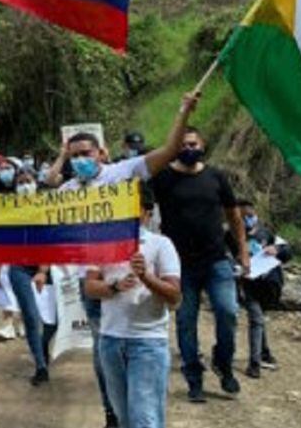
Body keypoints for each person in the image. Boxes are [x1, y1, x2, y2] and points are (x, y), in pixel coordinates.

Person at [47, 92, 199, 419]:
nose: (79, 161)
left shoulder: (123, 172)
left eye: (85, 153)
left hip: (129, 278)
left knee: (124, 353)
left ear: (101, 153)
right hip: (93, 281)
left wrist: (184, 110)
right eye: (73, 156)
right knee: (106, 357)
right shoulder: (67, 192)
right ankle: (113, 415)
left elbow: (169, 151)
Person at [151, 126, 248, 402]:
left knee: (228, 312)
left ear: (202, 144)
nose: (188, 148)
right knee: (185, 322)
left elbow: (234, 216)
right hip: (178, 266)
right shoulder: (163, 178)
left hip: (217, 260)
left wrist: (243, 251)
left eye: (193, 144)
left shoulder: (216, 177)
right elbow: (142, 207)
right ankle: (194, 378)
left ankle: (223, 363)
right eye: (182, 144)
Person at [85, 193, 181, 428]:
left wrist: (146, 277)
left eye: (132, 207)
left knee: (144, 419)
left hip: (147, 342)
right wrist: (115, 286)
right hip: (111, 341)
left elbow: (174, 296)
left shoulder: (161, 245)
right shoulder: (102, 244)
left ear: (146, 212)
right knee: (124, 418)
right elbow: (90, 287)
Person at [228, 200, 290, 378]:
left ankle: (265, 352)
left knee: (260, 318)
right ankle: (254, 363)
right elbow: (225, 258)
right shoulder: (230, 236)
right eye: (243, 217)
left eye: (250, 215)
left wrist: (277, 250)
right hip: (248, 284)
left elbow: (287, 252)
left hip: (270, 284)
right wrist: (236, 266)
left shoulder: (267, 232)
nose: (248, 219)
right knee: (256, 319)